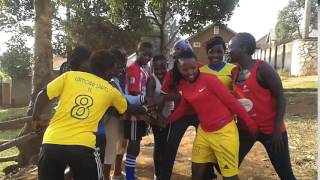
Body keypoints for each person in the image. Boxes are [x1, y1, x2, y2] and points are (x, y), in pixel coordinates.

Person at [32, 50, 127, 180]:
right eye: (113, 70)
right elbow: (124, 110)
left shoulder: (69, 76)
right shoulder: (111, 90)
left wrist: (36, 118)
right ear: (108, 71)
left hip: (51, 143)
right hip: (84, 147)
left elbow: (42, 95)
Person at [166, 50, 258, 180]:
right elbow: (184, 107)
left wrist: (250, 123)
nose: (190, 72)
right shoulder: (183, 85)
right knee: (196, 171)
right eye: (185, 70)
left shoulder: (210, 80)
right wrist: (168, 120)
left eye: (193, 68)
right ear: (179, 69)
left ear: (197, 65)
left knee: (229, 176)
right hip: (204, 132)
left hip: (224, 132)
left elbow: (231, 102)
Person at [229, 32, 296, 180]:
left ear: (244, 49)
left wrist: (278, 130)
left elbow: (281, 97)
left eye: (231, 47)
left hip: (271, 132)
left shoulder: (262, 68)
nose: (228, 51)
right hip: (245, 130)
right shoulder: (234, 72)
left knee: (286, 174)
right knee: (228, 167)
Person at [104, 48, 150, 180]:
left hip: (120, 115)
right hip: (110, 117)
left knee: (121, 144)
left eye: (124, 64)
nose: (122, 68)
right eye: (119, 65)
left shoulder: (118, 78)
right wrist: (142, 105)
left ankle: (117, 173)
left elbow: (123, 97)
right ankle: (106, 177)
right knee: (110, 147)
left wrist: (141, 100)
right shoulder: (108, 80)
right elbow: (123, 100)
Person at [124, 42, 153, 180]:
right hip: (134, 115)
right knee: (133, 145)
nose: (147, 57)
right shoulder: (133, 68)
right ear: (137, 53)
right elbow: (134, 94)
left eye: (149, 55)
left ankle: (130, 175)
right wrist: (144, 112)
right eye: (144, 54)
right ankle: (129, 176)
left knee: (136, 146)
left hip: (140, 112)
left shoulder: (143, 69)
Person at [146, 55, 172, 180]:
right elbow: (150, 101)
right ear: (152, 68)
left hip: (171, 117)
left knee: (168, 146)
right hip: (157, 118)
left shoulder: (171, 77)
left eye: (163, 68)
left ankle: (166, 173)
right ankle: (158, 174)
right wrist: (158, 117)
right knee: (160, 145)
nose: (160, 71)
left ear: (167, 66)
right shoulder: (152, 80)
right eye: (157, 69)